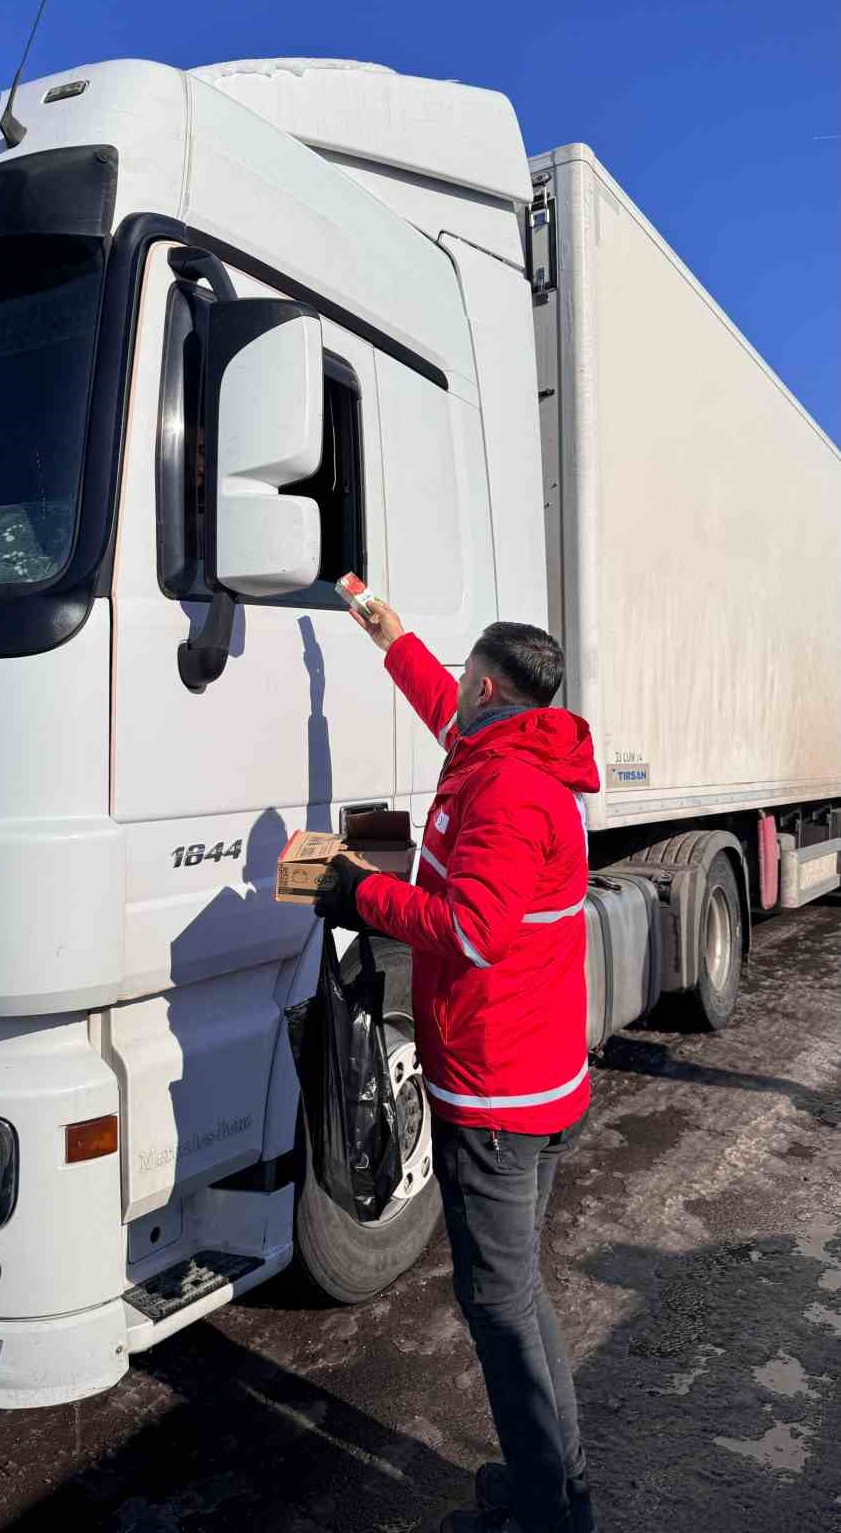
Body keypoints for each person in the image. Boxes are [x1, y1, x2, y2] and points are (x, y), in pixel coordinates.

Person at [314, 602, 600, 1533]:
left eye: (463, 686)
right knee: (519, 1292)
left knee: (498, 1305)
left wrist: (360, 892)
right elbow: (438, 694)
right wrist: (378, 623)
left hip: (497, 1093)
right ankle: (562, 1485)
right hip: (531, 1076)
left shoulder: (508, 793)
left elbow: (473, 932)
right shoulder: (508, 751)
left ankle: (544, 1512)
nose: (453, 703)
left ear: (491, 691)